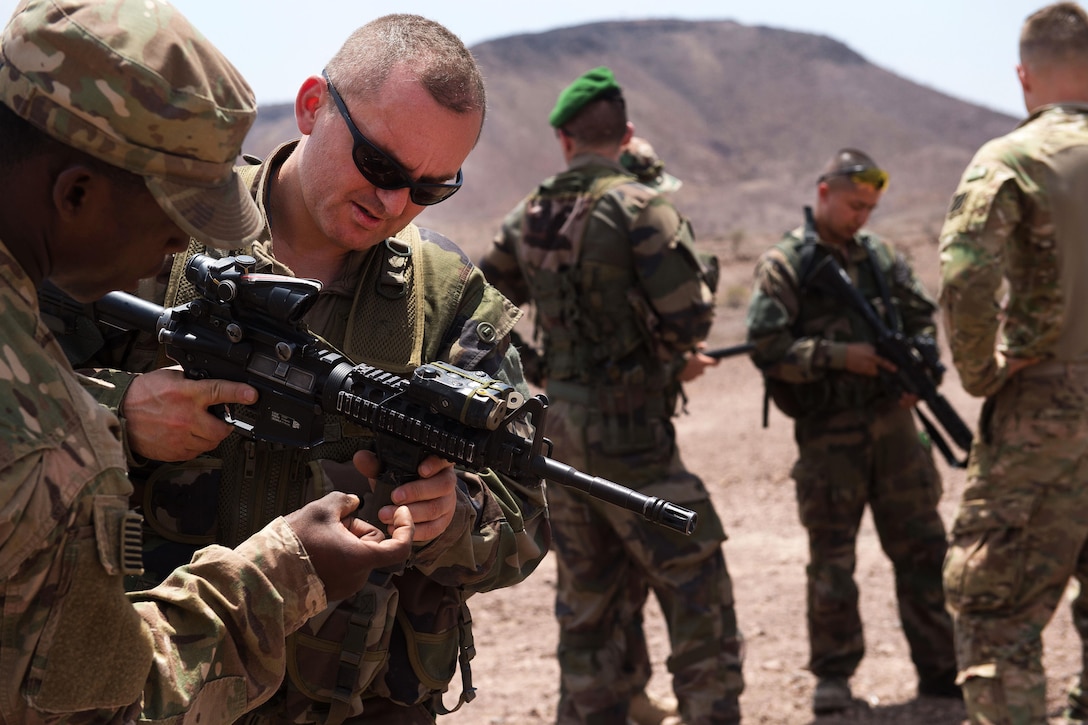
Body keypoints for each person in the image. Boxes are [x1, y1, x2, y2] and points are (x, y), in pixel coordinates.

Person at [42, 12, 551, 725]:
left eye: (432, 189)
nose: (394, 203)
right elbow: (18, 401)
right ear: (314, 106)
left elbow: (526, 511)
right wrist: (121, 413)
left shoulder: (449, 300)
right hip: (145, 689)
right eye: (380, 167)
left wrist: (456, 516)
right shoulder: (156, 230)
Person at [0, 0, 416, 721]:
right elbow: (100, 707)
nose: (181, 249)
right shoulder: (50, 444)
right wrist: (285, 572)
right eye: (178, 221)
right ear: (75, 194)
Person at [478, 66, 744, 725]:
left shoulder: (527, 213)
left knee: (589, 596)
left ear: (564, 139)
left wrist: (544, 368)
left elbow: (486, 306)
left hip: (560, 427)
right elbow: (689, 317)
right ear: (624, 135)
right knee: (695, 582)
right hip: (630, 433)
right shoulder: (639, 204)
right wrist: (663, 363)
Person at [745, 149, 959, 715]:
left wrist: (922, 365)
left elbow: (920, 316)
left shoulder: (882, 257)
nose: (861, 216)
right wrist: (842, 356)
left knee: (923, 550)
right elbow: (767, 346)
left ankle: (942, 672)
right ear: (823, 192)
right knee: (833, 560)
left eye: (870, 207)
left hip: (895, 429)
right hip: (829, 435)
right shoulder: (787, 262)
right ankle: (834, 677)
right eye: (853, 204)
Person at [938, 4, 1088, 723]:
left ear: (1024, 76)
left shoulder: (1012, 158)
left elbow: (966, 278)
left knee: (996, 615)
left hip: (1044, 412)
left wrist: (984, 371)